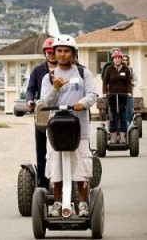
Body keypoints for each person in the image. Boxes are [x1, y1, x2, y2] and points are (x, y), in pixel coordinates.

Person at [40, 34, 97, 217]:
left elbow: (93, 94)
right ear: (54, 53)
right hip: (57, 129)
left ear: (73, 53)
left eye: (66, 51)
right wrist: (55, 87)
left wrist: (83, 102)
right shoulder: (48, 77)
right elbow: (44, 102)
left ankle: (82, 204)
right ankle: (57, 204)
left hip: (79, 129)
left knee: (80, 166)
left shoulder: (82, 73)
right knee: (56, 167)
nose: (63, 54)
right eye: (59, 51)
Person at [25, 37, 58, 188]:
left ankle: (64, 180)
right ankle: (43, 183)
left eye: (54, 52)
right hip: (43, 113)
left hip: (62, 113)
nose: (51, 55)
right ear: (45, 53)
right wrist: (29, 100)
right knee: (42, 149)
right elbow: (31, 89)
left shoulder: (68, 69)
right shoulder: (38, 71)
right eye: (48, 52)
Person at [102, 50, 132, 143]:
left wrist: (129, 92)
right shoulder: (109, 69)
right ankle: (113, 136)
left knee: (123, 116)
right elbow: (105, 82)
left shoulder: (126, 69)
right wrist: (104, 92)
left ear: (121, 59)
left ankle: (123, 137)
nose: (117, 60)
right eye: (115, 58)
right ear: (113, 59)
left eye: (119, 58)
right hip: (112, 96)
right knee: (113, 116)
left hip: (123, 95)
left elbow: (128, 83)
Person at [101, 48, 121, 128]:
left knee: (120, 108)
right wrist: (107, 85)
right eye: (113, 54)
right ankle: (108, 126)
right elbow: (103, 76)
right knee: (109, 108)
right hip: (109, 90)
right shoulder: (107, 65)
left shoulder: (122, 65)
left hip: (120, 90)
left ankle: (120, 126)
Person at [122, 54, 137, 125]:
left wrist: (132, 84)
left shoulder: (131, 69)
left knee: (129, 108)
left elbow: (136, 80)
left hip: (129, 92)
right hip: (120, 92)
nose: (125, 61)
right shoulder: (119, 69)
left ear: (128, 61)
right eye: (123, 60)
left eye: (126, 60)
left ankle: (128, 123)